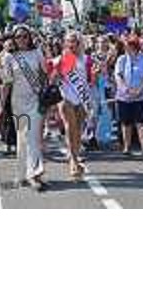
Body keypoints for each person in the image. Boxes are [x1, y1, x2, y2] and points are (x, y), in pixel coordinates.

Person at [0, 26, 48, 191]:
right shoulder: (9, 57)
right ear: (13, 38)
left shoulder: (37, 53)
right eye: (18, 37)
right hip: (18, 102)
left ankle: (35, 174)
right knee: (23, 138)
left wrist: (47, 96)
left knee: (33, 136)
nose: (22, 39)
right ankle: (22, 173)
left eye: (25, 36)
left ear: (29, 37)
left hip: (35, 100)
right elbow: (7, 83)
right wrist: (0, 105)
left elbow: (44, 74)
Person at [54, 32, 91, 180]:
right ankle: (74, 161)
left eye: (74, 41)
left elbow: (89, 78)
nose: (71, 44)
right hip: (66, 96)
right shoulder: (63, 58)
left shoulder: (86, 59)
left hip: (81, 98)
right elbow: (55, 77)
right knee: (70, 126)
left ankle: (74, 155)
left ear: (79, 43)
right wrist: (58, 70)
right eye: (68, 41)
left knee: (78, 129)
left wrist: (95, 73)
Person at [115, 34, 143, 160]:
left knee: (142, 123)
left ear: (134, 46)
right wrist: (126, 89)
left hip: (141, 96)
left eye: (129, 45)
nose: (126, 48)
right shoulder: (121, 59)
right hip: (124, 96)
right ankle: (126, 147)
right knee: (126, 123)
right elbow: (118, 75)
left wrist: (139, 90)